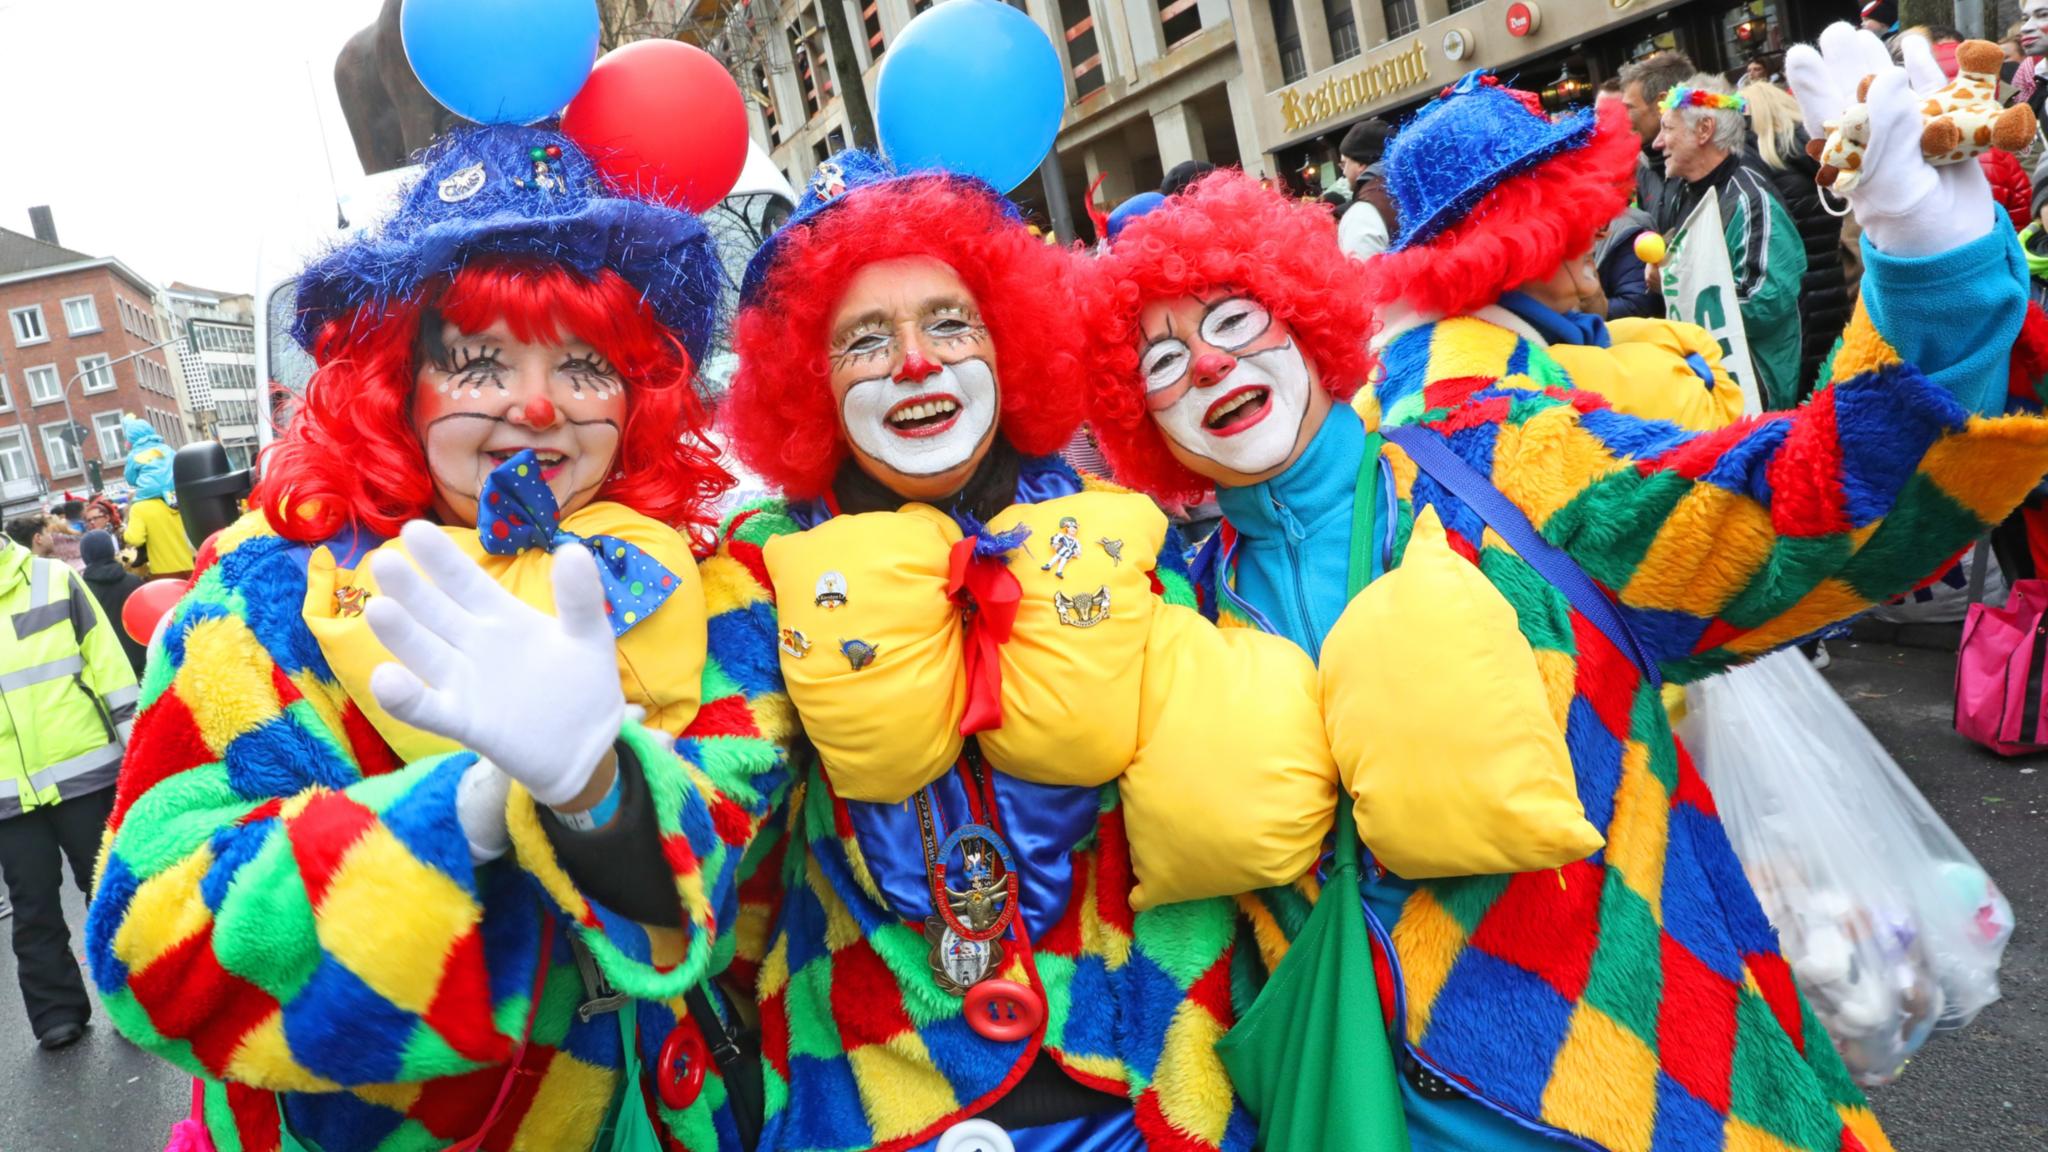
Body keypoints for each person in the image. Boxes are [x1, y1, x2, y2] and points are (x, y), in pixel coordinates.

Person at [1079, 27, 2048, 1150]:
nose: (1208, 366)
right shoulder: (1176, 613)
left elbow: (1787, 513)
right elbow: (1167, 931)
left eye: (1234, 323)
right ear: (1136, 418)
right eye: (1161, 361)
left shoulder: (1494, 464)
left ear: (1304, 321)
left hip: (1647, 1095)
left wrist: (1930, 271)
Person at [85, 122, 788, 1152]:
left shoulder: (709, 588)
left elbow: (745, 884)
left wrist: (602, 799)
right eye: (479, 361)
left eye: (585, 364)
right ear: (398, 382)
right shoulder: (264, 602)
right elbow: (153, 947)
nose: (537, 406)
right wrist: (464, 814)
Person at [720, 150, 1336, 1151]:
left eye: (949, 323)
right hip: (882, 1098)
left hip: (1147, 1087)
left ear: (1008, 344)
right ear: (808, 381)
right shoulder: (764, 565)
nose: (915, 362)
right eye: (864, 339)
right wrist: (598, 798)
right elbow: (716, 777)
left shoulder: (1118, 528)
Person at [0, 524, 137, 1052]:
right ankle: (56, 1011)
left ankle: (136, 998)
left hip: (82, 769)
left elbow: (108, 664)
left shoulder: (53, 578)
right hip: (9, 791)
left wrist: (138, 752)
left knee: (107, 890)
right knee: (32, 904)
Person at [1654, 74, 1806, 409]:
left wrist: (1673, 282)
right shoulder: (1682, 193)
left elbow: (1764, 302)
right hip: (1710, 390)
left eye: (1667, 128)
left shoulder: (1751, 200)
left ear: (1704, 130)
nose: (1657, 143)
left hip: (1755, 396)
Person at [1743, 81, 1853, 400]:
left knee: (1811, 391)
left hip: (1804, 294)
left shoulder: (1763, 168)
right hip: (1839, 281)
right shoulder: (1819, 153)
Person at [1618, 50, 1696, 242]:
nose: (1622, 119)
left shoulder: (1699, 164)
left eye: (1630, 108)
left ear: (1662, 103)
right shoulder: (1645, 168)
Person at [119, 415, 194, 580]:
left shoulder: (141, 508)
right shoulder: (167, 449)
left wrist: (125, 532)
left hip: (166, 575)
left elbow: (134, 538)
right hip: (172, 492)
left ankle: (142, 554)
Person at [77, 529, 145, 676]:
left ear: (85, 556)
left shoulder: (83, 592)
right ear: (111, 550)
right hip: (143, 660)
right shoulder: (135, 582)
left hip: (110, 668)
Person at [1336, 118, 1397, 259]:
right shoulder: (1413, 192)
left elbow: (1362, 269)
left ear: (1361, 164)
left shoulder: (1362, 214)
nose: (1344, 172)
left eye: (1344, 164)